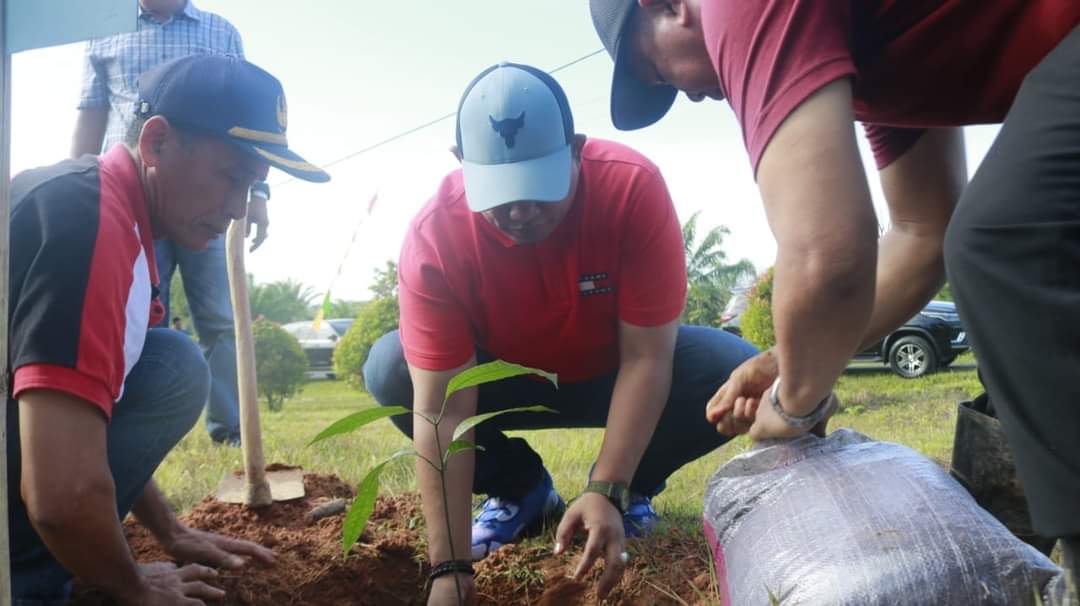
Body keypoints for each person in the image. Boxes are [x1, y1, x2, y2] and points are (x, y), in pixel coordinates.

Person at [588, 0, 1080, 588]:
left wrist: (794, 404)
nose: (688, 95)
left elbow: (827, 253)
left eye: (660, 72)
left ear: (667, 6)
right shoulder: (877, 54)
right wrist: (783, 363)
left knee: (1006, 243)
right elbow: (924, 235)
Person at [361, 62, 757, 605]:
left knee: (730, 367)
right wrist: (449, 569)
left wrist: (606, 486)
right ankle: (520, 488)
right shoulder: (437, 235)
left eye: (538, 188)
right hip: (505, 382)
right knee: (392, 369)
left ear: (575, 150)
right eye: (500, 193)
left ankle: (629, 490)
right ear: (461, 165)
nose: (520, 211)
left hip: (613, 370)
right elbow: (444, 409)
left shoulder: (629, 188)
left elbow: (647, 359)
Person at [8, 54, 329, 605]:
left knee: (170, 362)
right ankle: (27, 582)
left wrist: (169, 532)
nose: (237, 208)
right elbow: (61, 495)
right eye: (232, 177)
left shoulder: (120, 216)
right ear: (155, 143)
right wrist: (132, 588)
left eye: (252, 189)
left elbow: (95, 417)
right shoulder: (86, 221)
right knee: (175, 364)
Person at [72, 0, 267, 445]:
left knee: (219, 318)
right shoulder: (104, 31)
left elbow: (250, 134)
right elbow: (91, 120)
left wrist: (256, 194)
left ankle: (230, 430)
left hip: (207, 199)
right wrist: (81, 196)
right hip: (129, 204)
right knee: (138, 322)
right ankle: (134, 427)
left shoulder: (220, 31)